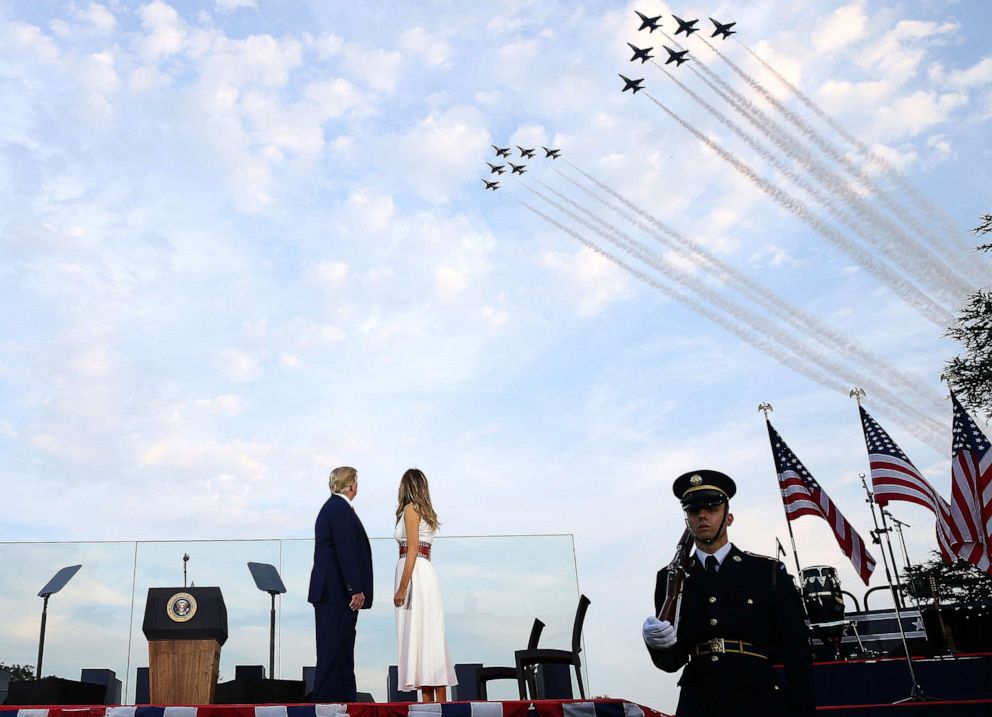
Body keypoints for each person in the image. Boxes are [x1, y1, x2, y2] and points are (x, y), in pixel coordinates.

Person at [642, 469, 814, 717]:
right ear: (687, 520)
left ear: (729, 517)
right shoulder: (671, 578)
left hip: (759, 697)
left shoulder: (767, 572)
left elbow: (797, 652)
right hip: (699, 699)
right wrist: (657, 643)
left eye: (712, 508)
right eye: (693, 510)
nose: (702, 516)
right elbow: (672, 662)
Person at [308, 466, 374, 702]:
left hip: (333, 594)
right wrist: (354, 589)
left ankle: (344, 703)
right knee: (332, 654)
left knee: (342, 653)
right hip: (335, 594)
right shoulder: (340, 509)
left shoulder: (334, 508)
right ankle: (326, 705)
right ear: (352, 485)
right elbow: (346, 551)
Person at [392, 468, 457, 702]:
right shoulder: (426, 512)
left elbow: (411, 549)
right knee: (430, 637)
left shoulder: (411, 509)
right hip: (425, 571)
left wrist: (402, 586)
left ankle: (432, 704)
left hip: (415, 573)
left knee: (420, 636)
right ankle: (437, 703)